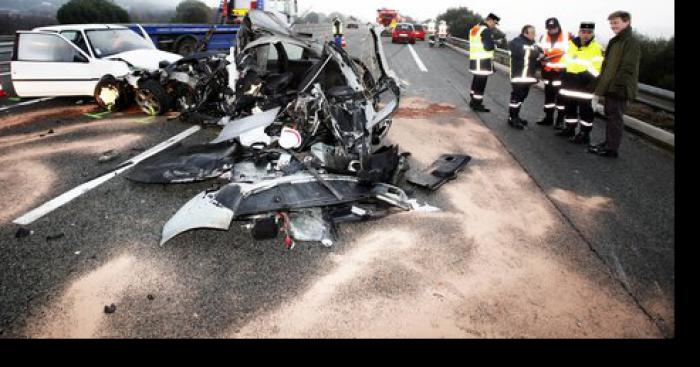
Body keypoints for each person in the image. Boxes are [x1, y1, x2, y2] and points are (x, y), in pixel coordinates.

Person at [588, 10, 641, 158]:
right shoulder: (615, 41)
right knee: (610, 116)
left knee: (615, 119)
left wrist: (618, 86)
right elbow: (607, 67)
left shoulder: (631, 42)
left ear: (627, 22)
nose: (612, 26)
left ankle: (611, 149)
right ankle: (607, 144)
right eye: (611, 23)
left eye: (616, 22)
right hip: (610, 86)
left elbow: (628, 67)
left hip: (619, 88)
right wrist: (599, 86)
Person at [555, 21, 604, 144]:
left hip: (584, 86)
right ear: (579, 32)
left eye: (588, 32)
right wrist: (563, 76)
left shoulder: (596, 48)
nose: (585, 34)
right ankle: (570, 129)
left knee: (585, 111)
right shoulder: (571, 45)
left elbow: (596, 69)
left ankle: (584, 134)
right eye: (583, 32)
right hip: (569, 84)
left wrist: (579, 77)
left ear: (592, 33)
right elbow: (564, 62)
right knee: (569, 108)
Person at [536, 17, 570, 128]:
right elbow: (540, 49)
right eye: (549, 28)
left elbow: (572, 52)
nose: (551, 30)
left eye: (553, 28)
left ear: (558, 26)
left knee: (561, 97)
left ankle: (560, 120)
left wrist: (552, 56)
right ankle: (548, 118)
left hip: (561, 72)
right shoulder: (544, 36)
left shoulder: (567, 36)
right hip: (547, 71)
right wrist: (540, 55)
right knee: (549, 96)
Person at [507, 24, 540, 129]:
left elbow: (534, 55)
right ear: (525, 33)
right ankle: (512, 118)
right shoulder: (516, 41)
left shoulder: (533, 44)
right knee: (516, 98)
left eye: (535, 32)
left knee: (522, 98)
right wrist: (536, 53)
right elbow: (520, 52)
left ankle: (516, 116)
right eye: (532, 33)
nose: (534, 35)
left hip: (528, 77)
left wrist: (540, 55)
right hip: (519, 77)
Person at [468, 12, 500, 112]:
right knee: (480, 84)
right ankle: (477, 104)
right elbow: (487, 47)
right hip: (482, 62)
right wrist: (495, 44)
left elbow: (478, 43)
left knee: (476, 82)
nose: (494, 25)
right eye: (494, 23)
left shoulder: (475, 28)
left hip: (474, 60)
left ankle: (473, 101)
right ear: (490, 20)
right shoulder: (486, 30)